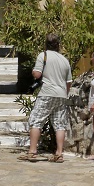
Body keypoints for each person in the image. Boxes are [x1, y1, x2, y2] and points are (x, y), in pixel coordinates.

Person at [22, 33, 72, 162]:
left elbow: (37, 74)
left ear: (46, 44)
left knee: (36, 121)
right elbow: (69, 81)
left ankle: (32, 151)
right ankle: (59, 153)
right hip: (61, 94)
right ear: (58, 45)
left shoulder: (43, 56)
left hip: (47, 93)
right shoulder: (64, 60)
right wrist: (64, 94)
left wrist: (33, 72)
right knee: (60, 124)